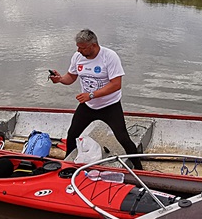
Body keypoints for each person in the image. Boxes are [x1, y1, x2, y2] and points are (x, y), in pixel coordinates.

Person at [49, 29, 140, 163]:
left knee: (123, 138)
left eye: (82, 48)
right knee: (72, 134)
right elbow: (71, 77)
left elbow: (116, 84)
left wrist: (91, 95)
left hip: (110, 105)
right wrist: (60, 79)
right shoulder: (77, 57)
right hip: (87, 106)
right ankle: (67, 164)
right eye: (78, 47)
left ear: (94, 45)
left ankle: (139, 168)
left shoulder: (109, 56)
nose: (79, 51)